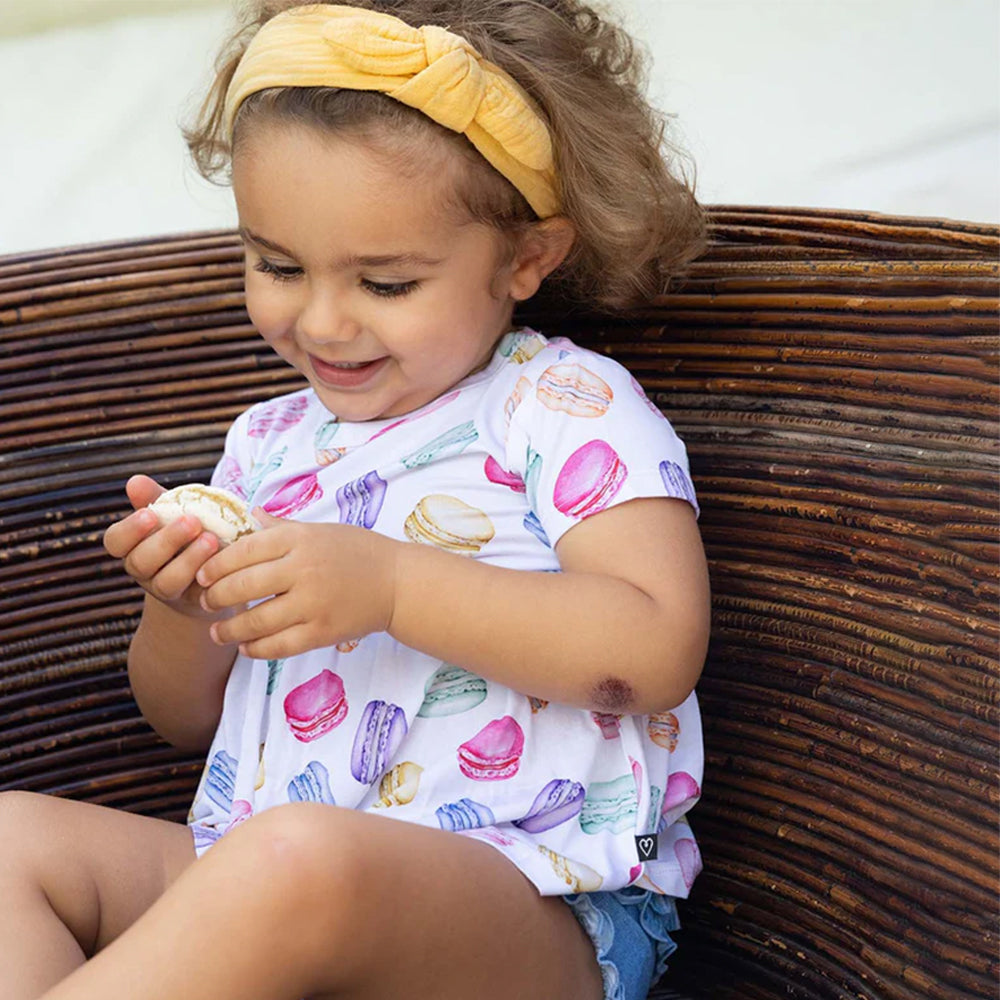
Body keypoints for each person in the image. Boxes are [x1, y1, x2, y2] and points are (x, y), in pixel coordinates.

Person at [1, 2, 710, 998]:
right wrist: (181, 610)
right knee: (11, 842)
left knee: (296, 863)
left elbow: (650, 649)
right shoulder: (268, 444)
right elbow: (184, 723)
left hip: (536, 909)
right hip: (269, 885)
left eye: (384, 282)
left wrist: (389, 587)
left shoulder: (560, 405)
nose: (322, 321)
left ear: (525, 259)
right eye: (277, 266)